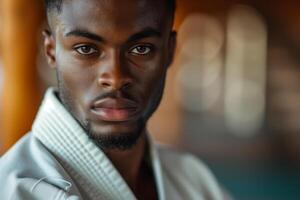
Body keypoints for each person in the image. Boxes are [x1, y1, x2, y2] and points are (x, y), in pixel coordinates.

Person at [0, 0, 227, 199]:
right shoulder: (17, 190)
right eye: (86, 48)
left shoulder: (193, 180)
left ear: (169, 51)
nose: (116, 78)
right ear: (51, 51)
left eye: (141, 49)